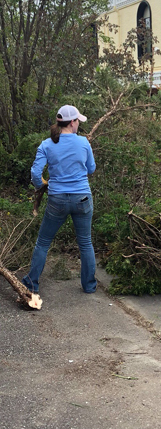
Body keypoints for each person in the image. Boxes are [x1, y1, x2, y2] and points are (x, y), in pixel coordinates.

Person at [22, 105, 97, 295]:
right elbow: (91, 169)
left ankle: (31, 284)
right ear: (72, 123)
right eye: (78, 120)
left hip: (57, 200)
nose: (79, 123)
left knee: (43, 242)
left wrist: (41, 186)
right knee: (86, 243)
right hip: (82, 198)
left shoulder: (46, 144)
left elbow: (35, 172)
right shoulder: (84, 143)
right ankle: (89, 286)